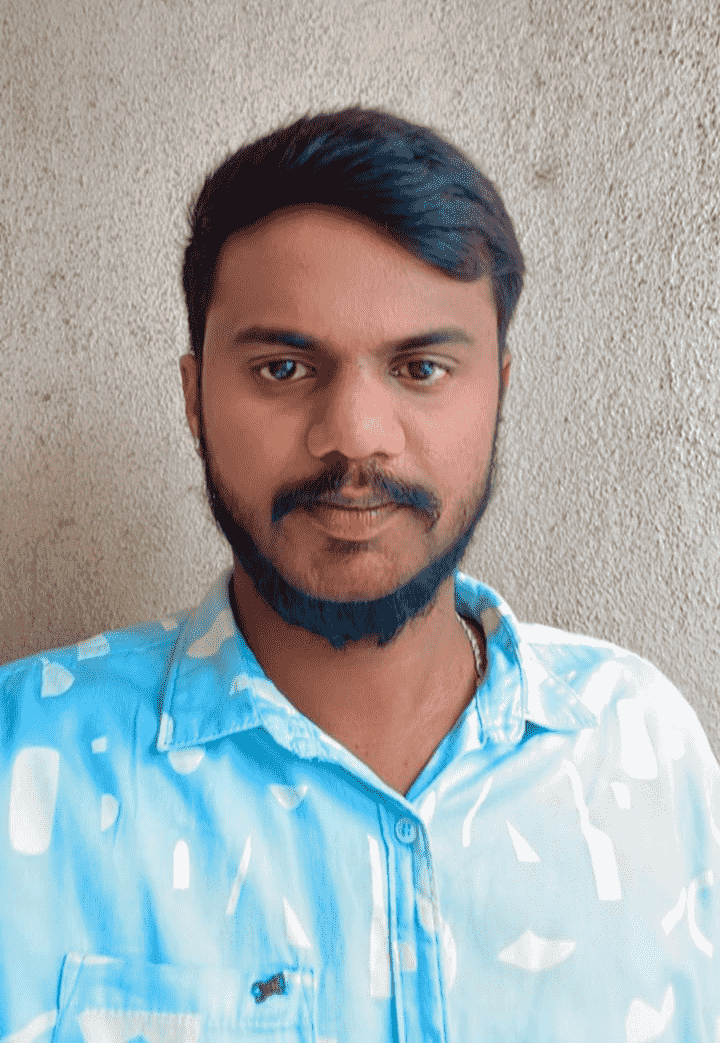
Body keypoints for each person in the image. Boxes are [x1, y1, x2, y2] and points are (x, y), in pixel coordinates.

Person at [0, 105, 718, 1042]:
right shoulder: (22, 758)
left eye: (420, 368)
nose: (355, 436)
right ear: (194, 397)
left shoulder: (642, 748)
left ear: (499, 391)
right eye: (284, 367)